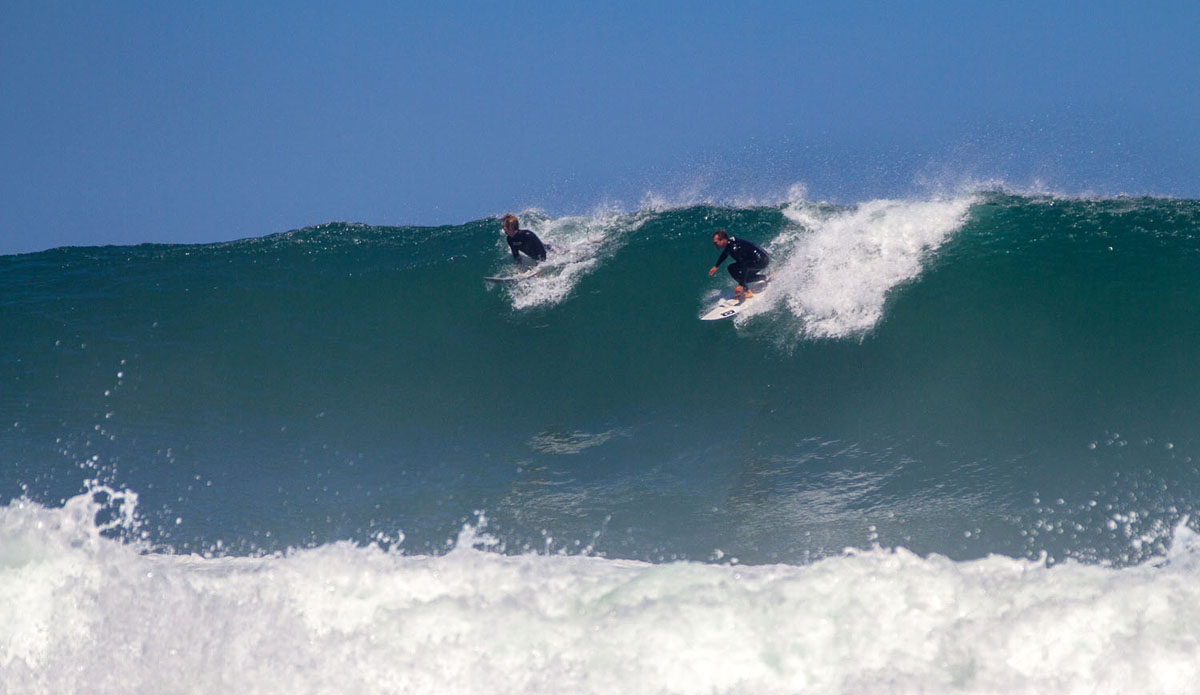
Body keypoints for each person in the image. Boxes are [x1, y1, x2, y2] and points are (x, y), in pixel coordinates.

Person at [708, 229, 769, 299]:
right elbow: (725, 253)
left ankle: (747, 291)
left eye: (716, 243)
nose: (715, 245)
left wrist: (740, 285)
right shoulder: (730, 242)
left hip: (760, 261)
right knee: (738, 272)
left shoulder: (734, 249)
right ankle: (766, 276)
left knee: (735, 271)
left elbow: (745, 265)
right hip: (763, 257)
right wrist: (716, 266)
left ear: (723, 240)